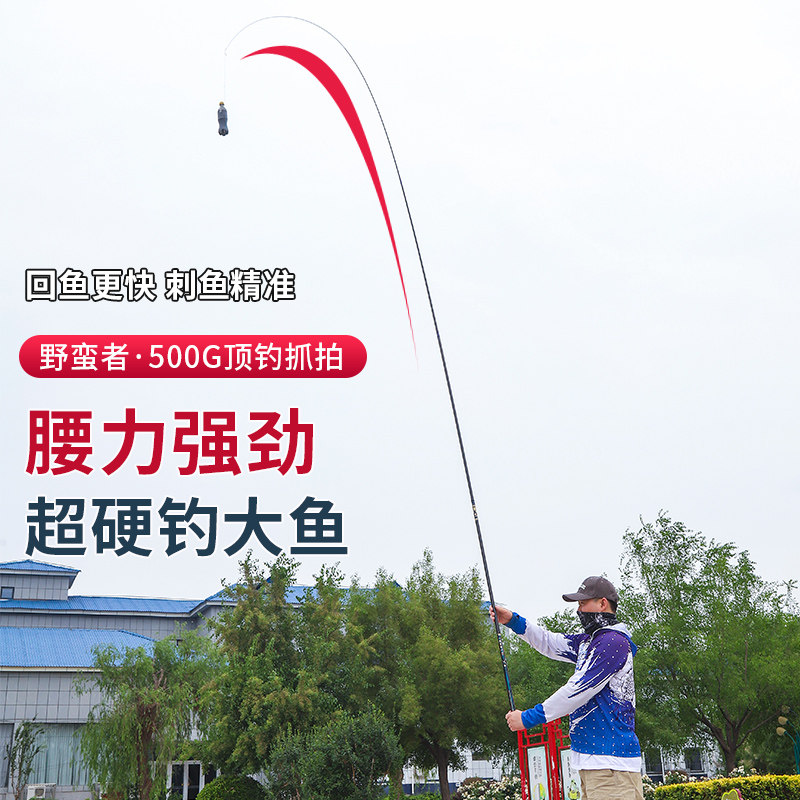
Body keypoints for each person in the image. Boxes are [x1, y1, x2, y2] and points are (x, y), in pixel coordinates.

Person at [492, 576, 644, 800]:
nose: (579, 610)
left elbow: (577, 690)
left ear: (603, 604)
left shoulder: (612, 642)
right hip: (595, 764)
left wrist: (528, 718)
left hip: (611, 766)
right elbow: (549, 642)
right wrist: (513, 621)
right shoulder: (590, 642)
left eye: (583, 603)